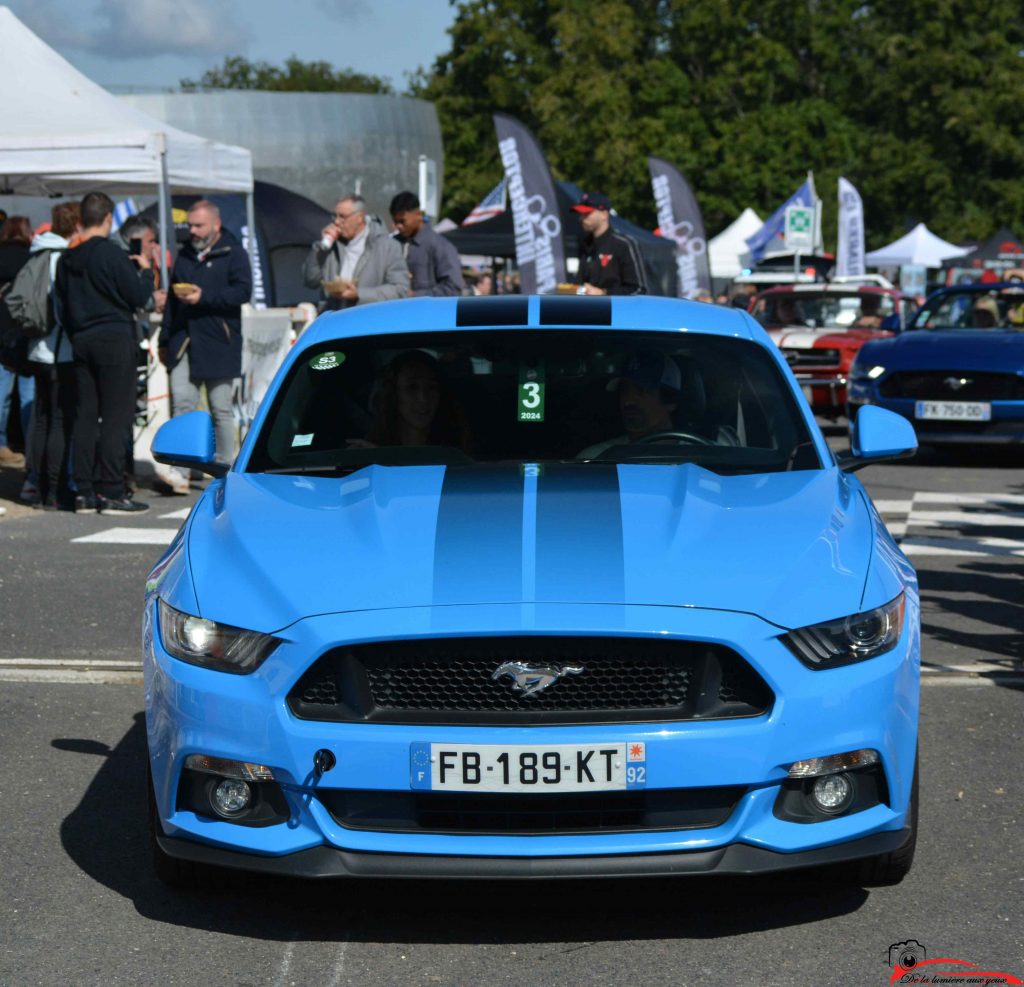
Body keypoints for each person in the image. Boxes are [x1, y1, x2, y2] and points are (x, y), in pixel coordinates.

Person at [56, 192, 154, 514]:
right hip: (113, 337)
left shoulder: (67, 259)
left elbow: (62, 306)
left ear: (82, 218)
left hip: (81, 339)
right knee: (116, 416)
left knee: (86, 415)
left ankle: (83, 491)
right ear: (109, 218)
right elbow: (138, 296)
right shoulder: (111, 255)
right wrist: (145, 271)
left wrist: (77, 333)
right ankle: (111, 490)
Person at [160, 200, 252, 467]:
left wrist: (205, 297)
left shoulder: (234, 253)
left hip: (219, 341)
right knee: (182, 406)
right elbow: (171, 305)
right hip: (184, 341)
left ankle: (224, 465)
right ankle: (181, 468)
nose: (193, 231)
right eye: (190, 225)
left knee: (220, 408)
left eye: (199, 225)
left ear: (216, 224)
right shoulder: (185, 254)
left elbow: (243, 292)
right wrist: (165, 338)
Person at [24, 202, 81, 509]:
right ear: (76, 225)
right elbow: (61, 310)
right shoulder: (62, 258)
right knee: (59, 420)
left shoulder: (37, 252)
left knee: (42, 419)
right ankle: (55, 490)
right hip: (59, 349)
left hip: (37, 348)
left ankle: (36, 482)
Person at [302, 194, 408, 311]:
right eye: (334, 216)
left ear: (360, 217)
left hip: (368, 321)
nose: (337, 222)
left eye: (343, 217)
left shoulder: (387, 246)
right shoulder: (331, 246)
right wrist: (320, 248)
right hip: (335, 319)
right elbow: (310, 281)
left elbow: (400, 290)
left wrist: (359, 294)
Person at [354, 350, 471, 450]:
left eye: (431, 387)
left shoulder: (457, 448)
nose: (423, 398)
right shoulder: (369, 451)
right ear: (394, 394)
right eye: (412, 387)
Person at [577, 351, 684, 459]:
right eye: (624, 391)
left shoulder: (698, 459)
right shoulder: (596, 460)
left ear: (670, 401)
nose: (628, 401)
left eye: (641, 391)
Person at [0, 215, 34, 469]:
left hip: (1, 335)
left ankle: (1, 444)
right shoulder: (31, 260)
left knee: (1, 395)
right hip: (26, 335)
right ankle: (29, 446)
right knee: (27, 396)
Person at [571, 191, 647, 296]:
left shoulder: (624, 244)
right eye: (581, 214)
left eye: (587, 213)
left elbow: (638, 290)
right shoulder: (585, 245)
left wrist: (603, 293)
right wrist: (571, 290)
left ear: (604, 214)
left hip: (618, 311)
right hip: (589, 310)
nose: (582, 218)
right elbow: (579, 284)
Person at [389, 191, 464, 296]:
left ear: (418, 214)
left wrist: (415, 296)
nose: (398, 226)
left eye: (402, 221)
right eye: (395, 222)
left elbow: (453, 288)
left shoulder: (440, 246)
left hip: (426, 311)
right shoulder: (392, 244)